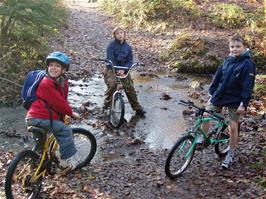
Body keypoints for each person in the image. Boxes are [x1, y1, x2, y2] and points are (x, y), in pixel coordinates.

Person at [202, 34, 256, 169]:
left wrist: (243, 103)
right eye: (232, 47)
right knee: (205, 115)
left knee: (232, 127)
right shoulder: (227, 60)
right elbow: (217, 77)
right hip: (220, 95)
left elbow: (248, 86)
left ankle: (230, 153)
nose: (234, 49)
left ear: (245, 47)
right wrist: (211, 93)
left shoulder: (248, 65)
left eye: (238, 47)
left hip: (236, 99)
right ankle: (203, 139)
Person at [25, 51, 82, 170]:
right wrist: (71, 113)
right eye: (51, 65)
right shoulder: (46, 83)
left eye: (57, 66)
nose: (53, 68)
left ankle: (34, 166)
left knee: (40, 145)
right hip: (41, 118)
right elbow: (58, 102)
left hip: (33, 117)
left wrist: (65, 109)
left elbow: (61, 99)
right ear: (47, 67)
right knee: (65, 131)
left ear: (64, 70)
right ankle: (66, 161)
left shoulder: (60, 81)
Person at [103, 27, 146, 116]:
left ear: (124, 34)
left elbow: (130, 61)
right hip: (111, 69)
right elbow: (110, 59)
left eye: (121, 33)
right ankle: (106, 105)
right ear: (115, 35)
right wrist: (117, 70)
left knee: (129, 87)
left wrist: (124, 69)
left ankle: (137, 108)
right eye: (117, 33)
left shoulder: (128, 47)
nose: (120, 35)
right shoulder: (110, 46)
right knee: (113, 84)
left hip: (124, 70)